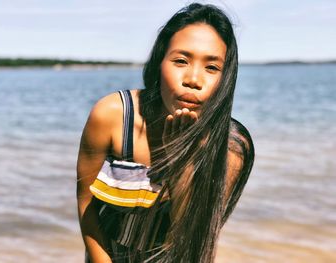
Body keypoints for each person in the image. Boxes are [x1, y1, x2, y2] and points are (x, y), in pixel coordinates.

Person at [77, 3, 254, 263]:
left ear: (225, 78)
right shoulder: (114, 115)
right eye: (181, 61)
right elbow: (85, 203)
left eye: (212, 67)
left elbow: (192, 237)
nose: (193, 79)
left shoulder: (231, 147)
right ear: (160, 62)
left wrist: (178, 161)